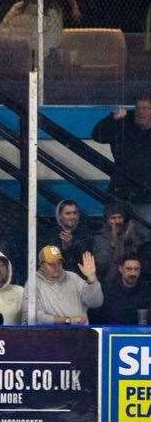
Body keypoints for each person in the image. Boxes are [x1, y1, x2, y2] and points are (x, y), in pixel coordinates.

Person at [92, 93, 151, 223]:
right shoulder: (123, 124)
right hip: (120, 192)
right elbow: (97, 135)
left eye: (146, 108)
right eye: (138, 108)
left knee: (143, 236)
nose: (141, 112)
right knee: (113, 233)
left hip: (146, 198)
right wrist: (113, 118)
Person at [23, 246, 103, 325]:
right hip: (48, 335)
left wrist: (92, 281)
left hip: (79, 334)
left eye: (59, 263)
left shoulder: (73, 278)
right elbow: (33, 316)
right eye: (51, 264)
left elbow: (96, 303)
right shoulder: (33, 283)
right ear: (41, 265)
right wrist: (68, 321)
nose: (56, 267)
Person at [93, 254, 151, 325]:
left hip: (140, 333)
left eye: (136, 269)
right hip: (111, 333)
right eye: (128, 269)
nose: (133, 273)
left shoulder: (147, 291)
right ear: (120, 269)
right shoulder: (107, 290)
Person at [38, 200, 93, 275]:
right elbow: (50, 260)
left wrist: (71, 245)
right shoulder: (50, 234)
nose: (72, 217)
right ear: (60, 216)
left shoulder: (85, 234)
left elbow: (87, 260)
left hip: (80, 278)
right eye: (68, 213)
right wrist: (64, 248)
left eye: (75, 213)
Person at [93, 202, 142, 285]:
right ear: (107, 220)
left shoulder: (129, 235)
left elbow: (138, 258)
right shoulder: (99, 238)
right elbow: (101, 265)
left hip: (130, 283)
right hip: (109, 283)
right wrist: (113, 243)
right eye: (113, 218)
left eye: (120, 217)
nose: (117, 221)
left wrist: (131, 238)